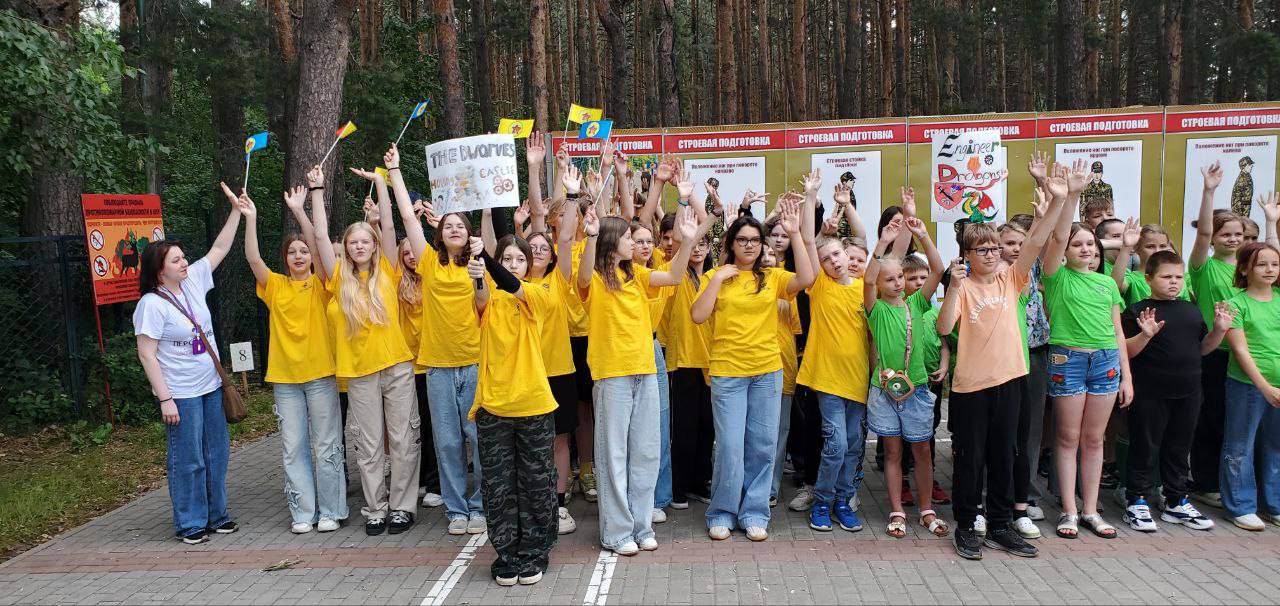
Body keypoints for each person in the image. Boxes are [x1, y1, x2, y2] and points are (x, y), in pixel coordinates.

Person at [937, 163, 1065, 560]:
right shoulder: (963, 286)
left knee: (1006, 454)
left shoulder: (1012, 278)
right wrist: (954, 286)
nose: (992, 254)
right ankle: (966, 525)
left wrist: (1057, 199)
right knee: (971, 459)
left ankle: (1000, 525)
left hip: (1011, 381)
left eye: (995, 248)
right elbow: (944, 327)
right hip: (971, 387)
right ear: (967, 255)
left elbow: (1036, 241)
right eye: (983, 250)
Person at [577, 199, 700, 556]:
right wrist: (590, 236)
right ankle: (616, 532)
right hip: (612, 374)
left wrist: (688, 241)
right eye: (629, 238)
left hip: (645, 371)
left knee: (645, 452)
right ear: (611, 241)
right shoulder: (597, 278)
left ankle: (642, 525)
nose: (635, 243)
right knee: (613, 455)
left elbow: (674, 276)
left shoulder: (639, 276)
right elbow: (583, 277)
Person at [693, 186, 815, 542]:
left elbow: (807, 279)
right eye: (742, 239)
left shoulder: (772, 278)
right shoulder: (716, 278)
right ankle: (721, 512)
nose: (749, 245)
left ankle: (754, 512)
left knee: (762, 445)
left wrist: (794, 234)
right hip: (728, 373)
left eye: (755, 240)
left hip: (766, 372)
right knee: (730, 446)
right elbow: (699, 316)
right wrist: (716, 278)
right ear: (731, 243)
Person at [134, 182, 243, 544]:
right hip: (180, 392)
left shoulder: (194, 280)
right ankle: (190, 521)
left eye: (183, 257)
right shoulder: (152, 304)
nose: (185, 262)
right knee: (189, 459)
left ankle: (217, 514)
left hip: (210, 386)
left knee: (217, 453)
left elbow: (221, 247)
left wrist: (235, 211)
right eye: (177, 260)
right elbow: (147, 353)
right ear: (159, 270)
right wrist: (165, 398)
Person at [387, 144, 487, 536]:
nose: (454, 230)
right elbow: (408, 219)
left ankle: (479, 506)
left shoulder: (480, 265)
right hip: (439, 367)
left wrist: (480, 276)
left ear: (469, 232)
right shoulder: (428, 260)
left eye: (460, 225)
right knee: (447, 443)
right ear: (440, 233)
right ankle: (456, 510)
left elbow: (484, 307)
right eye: (448, 226)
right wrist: (395, 171)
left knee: (477, 440)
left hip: (476, 363)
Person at [315, 162, 419, 536]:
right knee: (369, 444)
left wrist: (383, 183)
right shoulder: (337, 276)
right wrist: (316, 193)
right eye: (352, 242)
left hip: (397, 367)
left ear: (374, 245)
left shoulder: (389, 271)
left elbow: (390, 226)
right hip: (359, 373)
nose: (359, 246)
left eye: (365, 241)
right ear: (345, 248)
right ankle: (375, 507)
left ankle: (402, 507)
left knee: (403, 439)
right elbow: (320, 234)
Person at [240, 185, 346, 534]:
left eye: (304, 251)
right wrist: (251, 218)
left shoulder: (321, 284)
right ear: (285, 258)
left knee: (327, 446)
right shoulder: (274, 286)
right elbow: (253, 259)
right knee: (293, 448)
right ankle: (303, 512)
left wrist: (300, 210)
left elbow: (319, 242)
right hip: (285, 381)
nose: (299, 255)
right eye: (292, 252)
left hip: (320, 376)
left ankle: (332, 510)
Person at [1041, 159, 1133, 541]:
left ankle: (1092, 510)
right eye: (1077, 244)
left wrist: (1127, 376)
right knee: (1067, 438)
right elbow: (1057, 238)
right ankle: (1069, 510)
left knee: (1094, 440)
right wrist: (1072, 196)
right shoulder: (1056, 276)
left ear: (1099, 252)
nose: (1085, 249)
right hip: (1068, 359)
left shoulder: (1107, 284)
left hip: (1106, 362)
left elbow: (1116, 332)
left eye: (1091, 246)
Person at [467, 233, 559, 586]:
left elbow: (509, 285)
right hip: (493, 405)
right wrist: (479, 271)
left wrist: (487, 259)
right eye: (508, 259)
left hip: (533, 404)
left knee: (536, 482)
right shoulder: (489, 297)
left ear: (530, 264)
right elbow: (482, 296)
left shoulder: (537, 295)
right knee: (498, 485)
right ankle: (506, 553)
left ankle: (535, 551)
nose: (515, 264)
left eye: (520, 259)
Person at [1121, 250, 1229, 532]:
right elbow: (1127, 352)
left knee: (1179, 447)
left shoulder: (1191, 310)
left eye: (1178, 277)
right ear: (1148, 278)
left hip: (1190, 391)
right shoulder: (1139, 311)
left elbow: (1202, 348)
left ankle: (1176, 501)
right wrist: (1145, 334)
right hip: (1150, 392)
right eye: (1166, 277)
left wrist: (1218, 331)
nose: (1174, 282)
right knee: (1145, 446)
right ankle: (1137, 500)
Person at [862, 215, 947, 539]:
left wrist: (924, 236)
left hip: (918, 388)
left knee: (923, 450)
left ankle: (926, 509)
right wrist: (882, 243)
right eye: (890, 279)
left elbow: (937, 271)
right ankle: (897, 510)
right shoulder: (876, 310)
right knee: (893, 452)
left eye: (900, 277)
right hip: (884, 391)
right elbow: (868, 280)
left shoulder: (917, 304)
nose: (897, 282)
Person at [524, 162, 583, 535]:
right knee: (530, 441)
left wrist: (573, 197)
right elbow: (535, 218)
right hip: (524, 372)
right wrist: (532, 172)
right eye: (534, 246)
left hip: (559, 369)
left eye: (545, 247)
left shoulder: (559, 282)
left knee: (559, 439)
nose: (541, 250)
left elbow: (563, 239)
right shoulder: (510, 282)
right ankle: (533, 500)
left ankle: (559, 504)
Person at [1187, 162, 1244, 509]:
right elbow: (1203, 235)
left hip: (1245, 354)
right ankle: (1205, 482)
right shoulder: (1203, 268)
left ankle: (1236, 483)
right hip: (1215, 353)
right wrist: (1209, 192)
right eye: (1227, 234)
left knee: (1235, 425)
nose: (1233, 239)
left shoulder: (1250, 268)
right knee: (1211, 419)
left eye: (1239, 234)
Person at [1221, 242, 1280, 531]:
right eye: (1261, 264)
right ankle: (1241, 506)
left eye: (1274, 263)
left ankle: (1274, 504)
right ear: (1244, 268)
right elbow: (1241, 351)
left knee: (1275, 446)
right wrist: (1265, 387)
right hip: (1248, 386)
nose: (1269, 269)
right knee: (1239, 447)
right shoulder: (1235, 304)